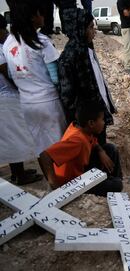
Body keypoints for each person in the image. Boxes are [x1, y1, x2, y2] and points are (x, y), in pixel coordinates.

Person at [3, 0, 67, 157]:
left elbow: (11, 75)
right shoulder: (42, 42)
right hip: (48, 102)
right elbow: (56, 77)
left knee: (41, 146)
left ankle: (51, 179)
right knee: (60, 146)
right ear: (32, 17)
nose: (44, 16)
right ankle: (64, 180)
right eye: (41, 12)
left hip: (27, 104)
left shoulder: (8, 43)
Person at [58, 8, 116, 146]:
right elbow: (67, 97)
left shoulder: (86, 49)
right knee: (92, 158)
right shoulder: (71, 56)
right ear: (79, 28)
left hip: (95, 118)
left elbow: (97, 83)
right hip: (87, 124)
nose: (94, 31)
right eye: (90, 27)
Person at [39, 102, 123, 196]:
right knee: (117, 185)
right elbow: (45, 155)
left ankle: (111, 178)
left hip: (82, 169)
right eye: (102, 120)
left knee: (110, 148)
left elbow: (93, 141)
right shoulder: (77, 141)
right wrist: (53, 184)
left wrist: (101, 151)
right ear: (91, 123)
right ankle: (112, 181)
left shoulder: (82, 128)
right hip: (73, 183)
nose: (104, 123)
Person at [0, 14, 42, 185]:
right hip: (6, 99)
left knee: (15, 137)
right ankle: (18, 175)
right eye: (4, 31)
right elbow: (7, 73)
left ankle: (19, 171)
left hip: (9, 98)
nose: (6, 34)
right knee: (14, 138)